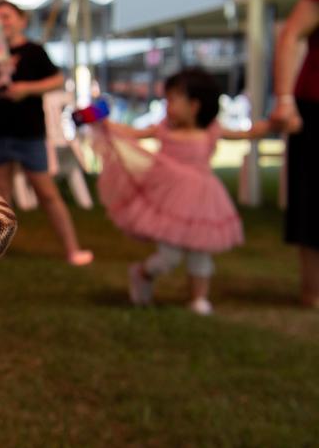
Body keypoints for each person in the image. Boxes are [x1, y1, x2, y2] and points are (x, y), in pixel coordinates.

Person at [98, 69, 276, 315]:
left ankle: (198, 298)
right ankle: (142, 273)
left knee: (200, 253)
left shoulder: (211, 131)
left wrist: (273, 124)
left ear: (194, 105)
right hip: (169, 201)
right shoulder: (164, 130)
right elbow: (132, 134)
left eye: (172, 100)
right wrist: (104, 124)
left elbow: (247, 133)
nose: (167, 106)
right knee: (169, 255)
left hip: (202, 202)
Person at [0, 0, 93, 266]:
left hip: (29, 133)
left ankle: (72, 248)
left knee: (47, 193)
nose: (3, 21)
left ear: (21, 21)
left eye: (8, 16)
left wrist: (26, 89)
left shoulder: (34, 51)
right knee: (1, 195)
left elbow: (58, 80)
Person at [270, 0, 319, 308]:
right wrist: (285, 100)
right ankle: (313, 292)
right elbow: (291, 35)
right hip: (315, 103)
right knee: (314, 202)